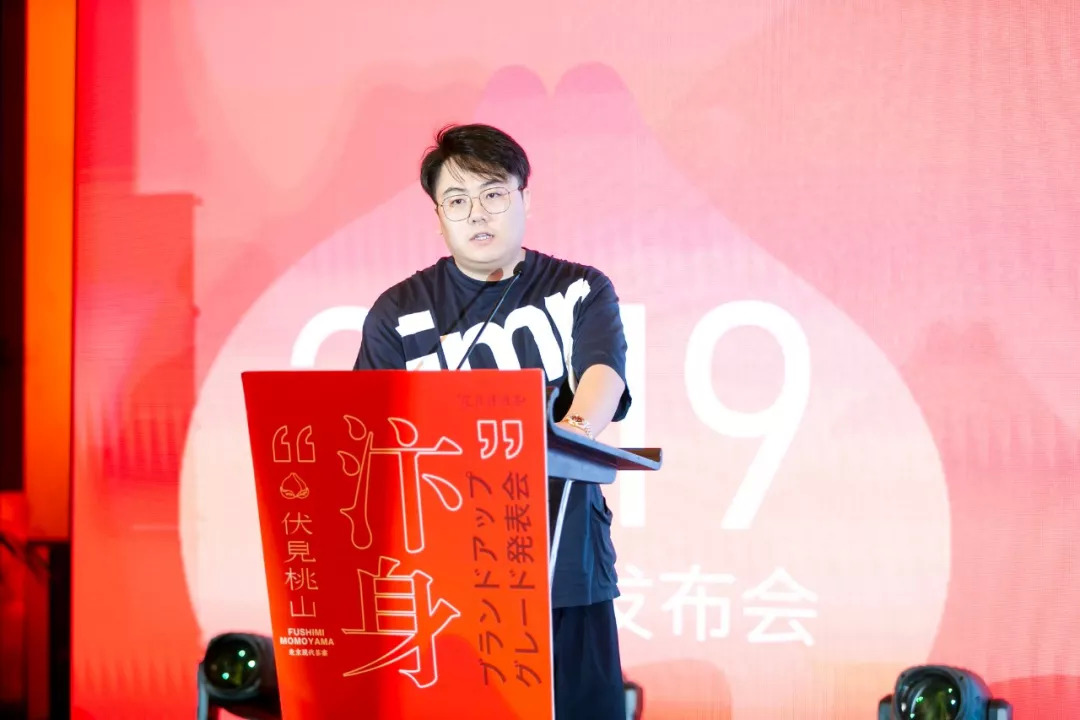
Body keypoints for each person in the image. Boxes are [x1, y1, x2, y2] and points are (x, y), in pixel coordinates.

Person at [353, 123, 632, 719]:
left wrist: (570, 434)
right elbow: (364, 432)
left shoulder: (579, 288)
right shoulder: (397, 313)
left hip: (565, 561)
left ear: (525, 198)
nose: (476, 212)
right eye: (456, 200)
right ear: (438, 218)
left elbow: (603, 373)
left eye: (493, 193)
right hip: (446, 581)